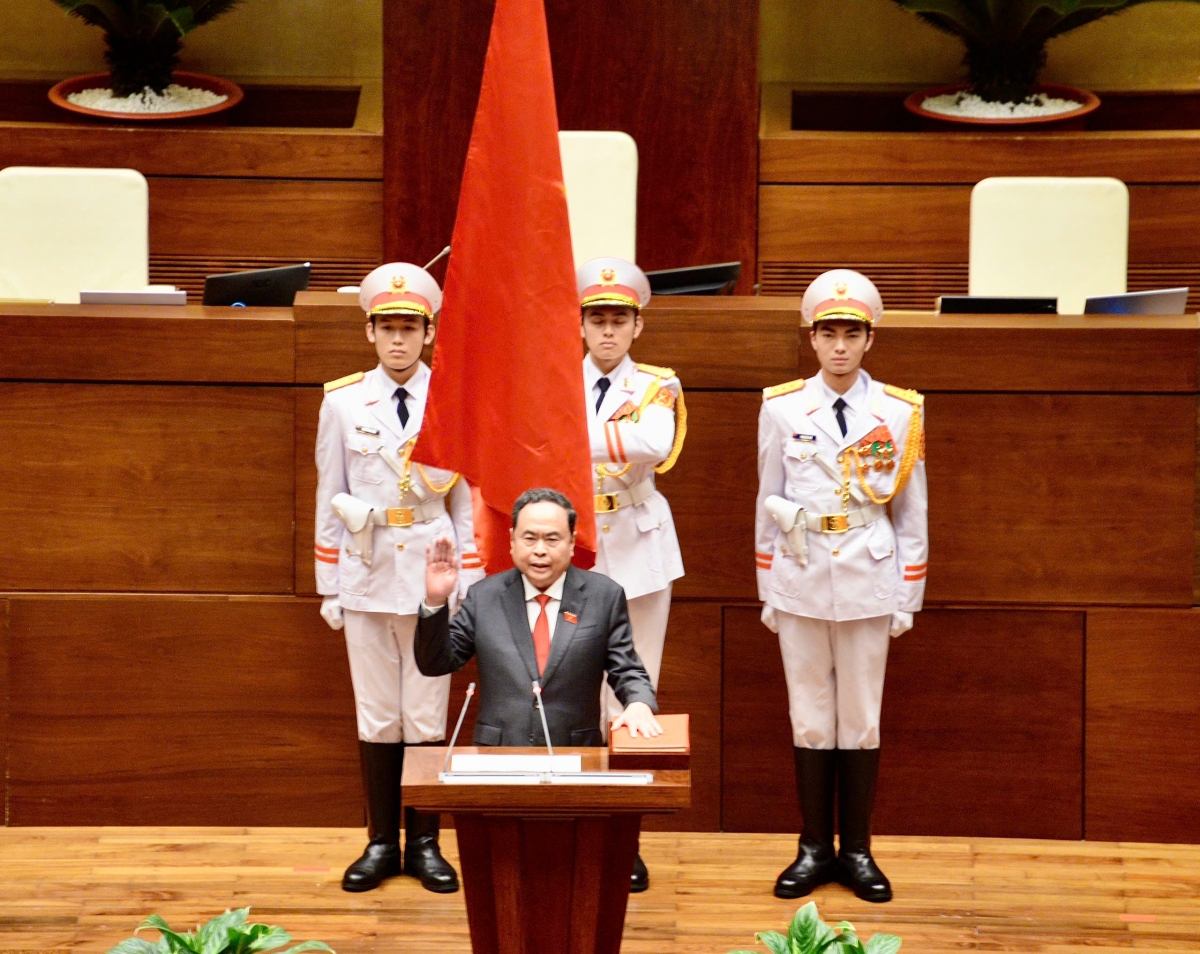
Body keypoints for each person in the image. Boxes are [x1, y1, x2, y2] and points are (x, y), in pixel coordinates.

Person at [755, 269, 928, 904]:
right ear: (812, 337)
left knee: (859, 717)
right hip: (800, 570)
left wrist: (908, 592)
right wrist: (768, 585)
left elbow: (912, 511)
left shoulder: (898, 411)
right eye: (827, 333)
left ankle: (855, 849)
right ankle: (811, 848)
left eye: (851, 333)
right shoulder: (781, 406)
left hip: (868, 568)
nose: (838, 346)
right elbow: (767, 498)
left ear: (869, 339)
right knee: (808, 713)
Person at [314, 262, 485, 894]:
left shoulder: (453, 398)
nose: (398, 340)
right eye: (387, 327)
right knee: (378, 714)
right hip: (366, 568)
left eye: (409, 328)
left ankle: (428, 843)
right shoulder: (342, 402)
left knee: (426, 710)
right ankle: (383, 842)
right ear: (369, 332)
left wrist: (466, 577)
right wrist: (329, 583)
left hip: (430, 576)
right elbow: (329, 494)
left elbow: (466, 498)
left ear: (429, 333)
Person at [576, 256, 686, 892]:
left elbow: (654, 443)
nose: (608, 331)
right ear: (582, 325)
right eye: (598, 319)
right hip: (577, 545)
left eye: (620, 319)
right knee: (572, 690)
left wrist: (571, 433)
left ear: (638, 325)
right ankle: (585, 822)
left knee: (635, 694)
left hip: (641, 551)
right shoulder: (555, 378)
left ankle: (627, 839)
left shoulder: (656, 384)